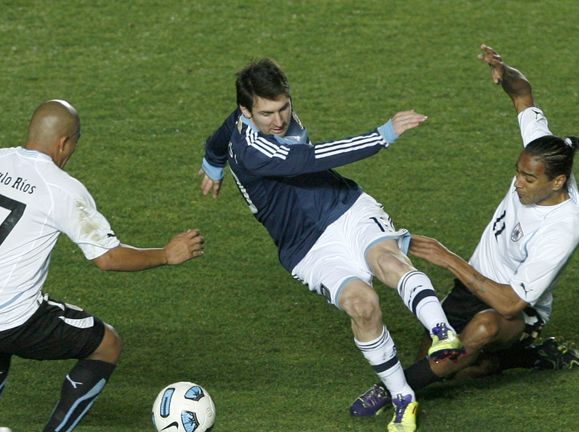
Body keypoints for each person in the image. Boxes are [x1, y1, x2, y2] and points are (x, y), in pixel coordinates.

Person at [0, 100, 205, 432]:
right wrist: (167, 254)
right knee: (108, 344)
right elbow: (108, 258)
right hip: (8, 322)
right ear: (64, 142)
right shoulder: (60, 189)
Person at [198, 58, 463, 431]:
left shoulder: (248, 116)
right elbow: (314, 157)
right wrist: (382, 134)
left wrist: (212, 162)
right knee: (362, 306)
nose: (278, 120)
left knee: (386, 262)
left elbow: (220, 134)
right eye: (267, 113)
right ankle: (403, 397)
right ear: (248, 112)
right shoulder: (259, 150)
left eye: (284, 107)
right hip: (306, 247)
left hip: (345, 208)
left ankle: (442, 332)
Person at [349, 44, 579, 417]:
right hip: (473, 287)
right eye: (517, 172)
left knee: (477, 333)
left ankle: (389, 392)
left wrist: (447, 259)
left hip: (516, 311)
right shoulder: (541, 153)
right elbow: (522, 93)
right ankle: (520, 358)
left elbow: (511, 302)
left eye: (527, 178)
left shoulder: (564, 226)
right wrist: (504, 70)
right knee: (443, 366)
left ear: (558, 182)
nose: (518, 183)